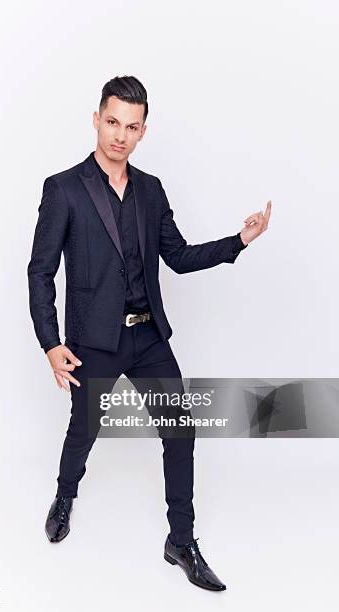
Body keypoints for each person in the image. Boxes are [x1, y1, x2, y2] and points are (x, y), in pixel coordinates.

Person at [27, 75, 271, 591]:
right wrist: (51, 344)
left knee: (181, 430)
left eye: (131, 126)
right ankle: (66, 493)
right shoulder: (64, 189)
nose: (120, 134)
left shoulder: (152, 191)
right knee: (83, 430)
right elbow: (40, 272)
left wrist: (239, 240)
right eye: (112, 122)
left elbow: (178, 258)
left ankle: (180, 540)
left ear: (142, 132)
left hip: (148, 339)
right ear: (97, 119)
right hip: (94, 341)